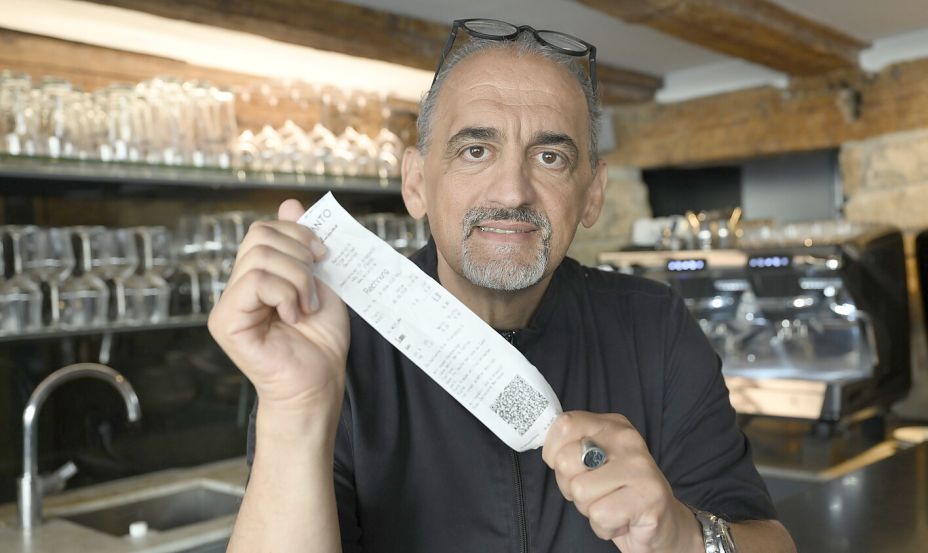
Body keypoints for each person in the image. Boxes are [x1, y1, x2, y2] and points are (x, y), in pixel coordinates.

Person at [209, 18, 796, 553]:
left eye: (549, 157)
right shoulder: (333, 344)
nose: (512, 190)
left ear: (592, 193)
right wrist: (296, 408)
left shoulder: (655, 327)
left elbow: (771, 542)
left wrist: (681, 536)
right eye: (475, 150)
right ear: (415, 183)